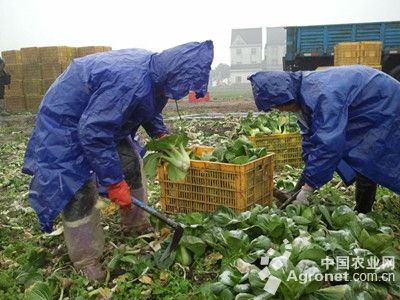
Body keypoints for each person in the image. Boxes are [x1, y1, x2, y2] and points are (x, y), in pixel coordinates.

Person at [22, 41, 214, 281]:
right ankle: (86, 257)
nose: (184, 92)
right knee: (78, 186)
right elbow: (93, 131)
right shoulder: (130, 81)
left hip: (99, 116)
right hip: (65, 119)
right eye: (184, 86)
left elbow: (148, 106)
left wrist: (160, 134)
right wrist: (113, 182)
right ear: (175, 73)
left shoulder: (157, 73)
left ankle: (134, 223)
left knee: (130, 161)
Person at [248, 65, 400, 211]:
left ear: (285, 97)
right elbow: (311, 141)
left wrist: (308, 189)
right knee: (363, 152)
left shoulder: (322, 96)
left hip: (384, 101)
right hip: (370, 99)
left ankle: (362, 211)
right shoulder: (303, 93)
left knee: (368, 155)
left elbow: (328, 145)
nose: (280, 110)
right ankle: (360, 209)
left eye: (278, 106)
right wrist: (300, 187)